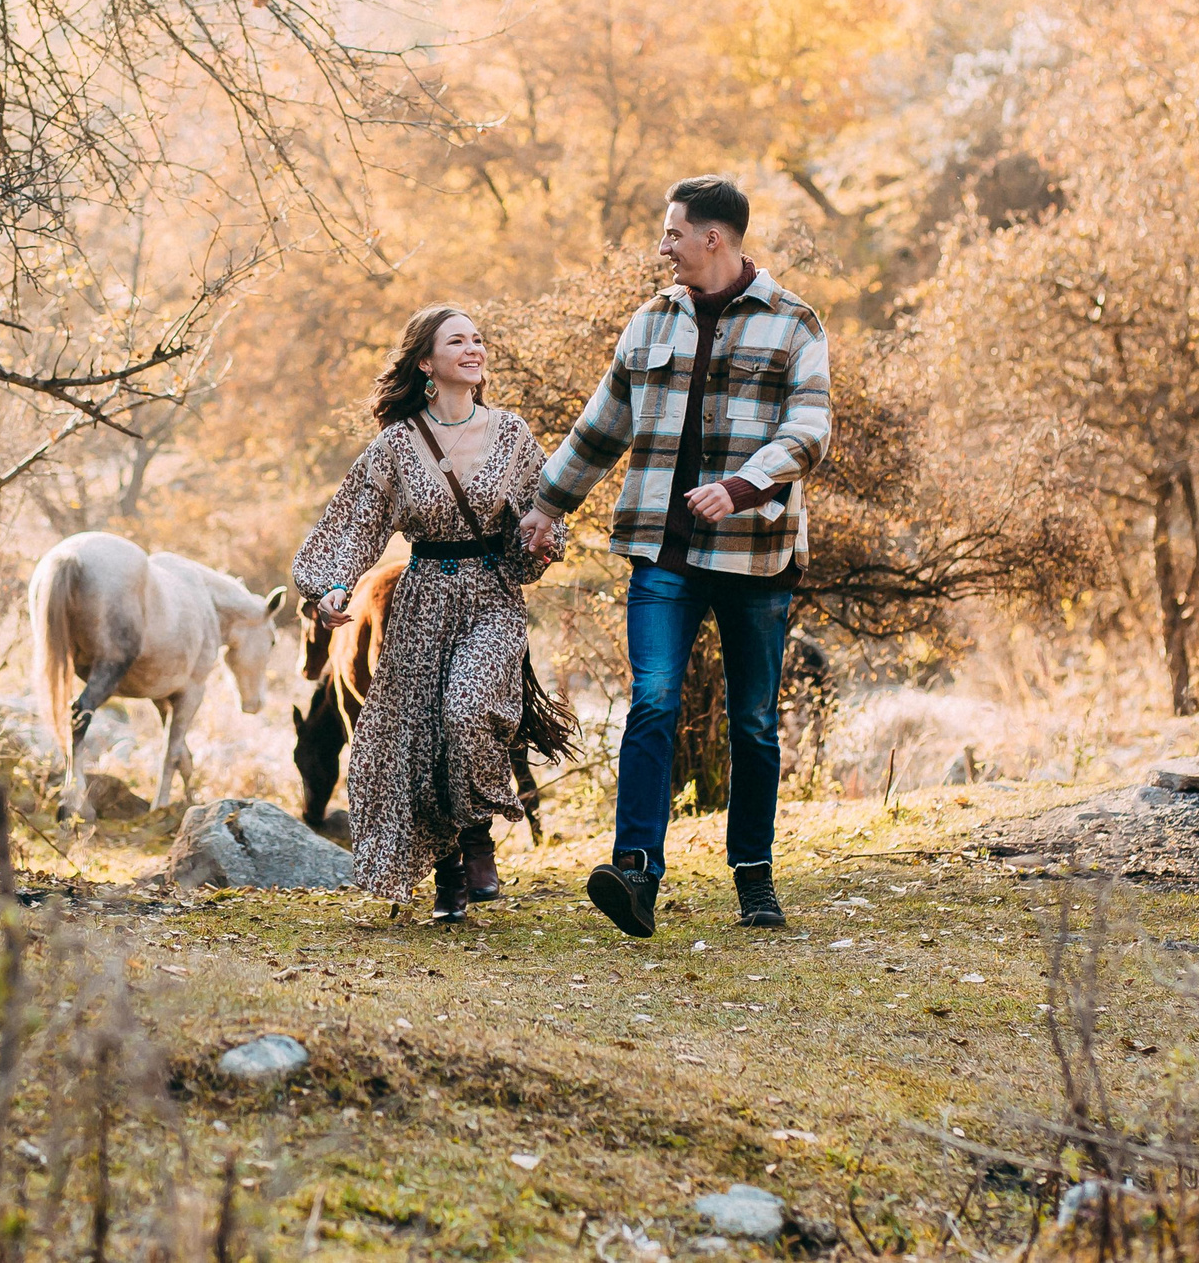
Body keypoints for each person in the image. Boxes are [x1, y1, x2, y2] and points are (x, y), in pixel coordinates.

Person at [517, 176, 831, 936]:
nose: (663, 247)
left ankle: (754, 877)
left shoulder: (794, 323)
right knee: (653, 699)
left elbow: (810, 432)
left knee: (752, 719)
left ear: (712, 238)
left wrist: (742, 485)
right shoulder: (651, 321)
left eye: (672, 233)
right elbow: (601, 427)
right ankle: (635, 873)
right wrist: (544, 507)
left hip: (756, 555)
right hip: (663, 551)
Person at [293, 306, 565, 919]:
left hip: (492, 595)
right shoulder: (396, 446)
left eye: (478, 339)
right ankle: (449, 879)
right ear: (426, 362)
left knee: (466, 711)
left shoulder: (515, 435)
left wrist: (541, 542)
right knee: (422, 737)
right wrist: (333, 588)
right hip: (421, 602)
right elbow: (352, 525)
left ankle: (475, 836)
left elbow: (542, 519)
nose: (474, 349)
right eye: (457, 341)